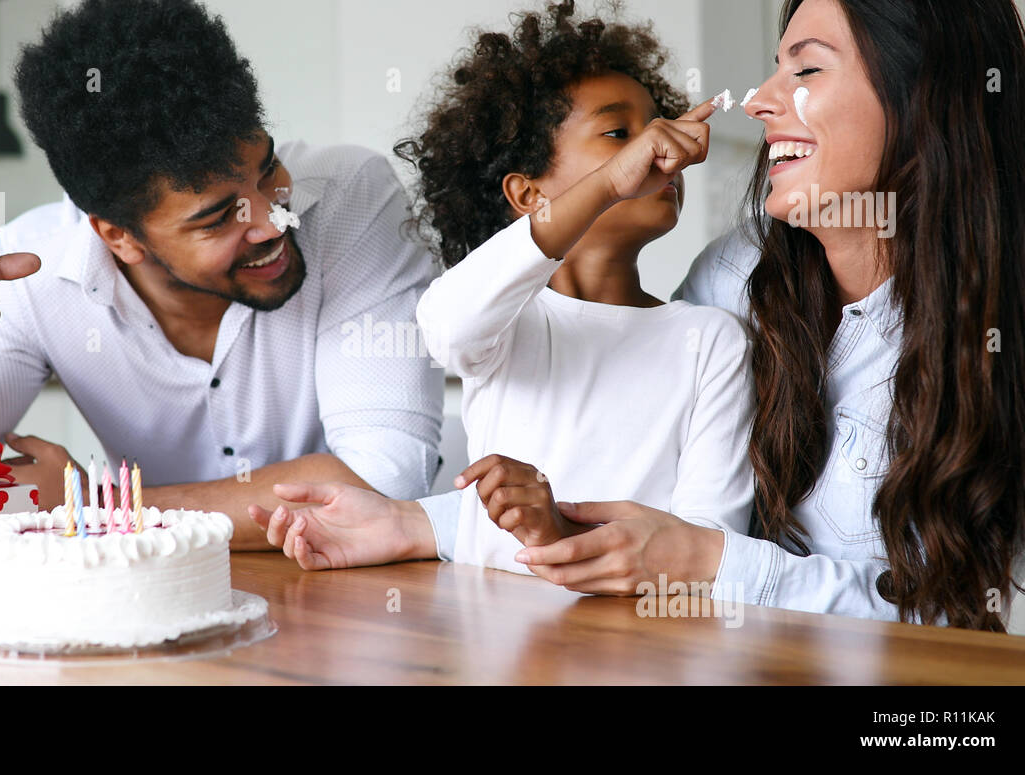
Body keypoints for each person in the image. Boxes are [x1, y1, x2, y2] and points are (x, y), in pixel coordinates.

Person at [254, 0, 1025, 635]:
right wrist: (414, 524)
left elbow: (944, 619)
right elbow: (618, 492)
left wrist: (705, 561)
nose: (763, 102)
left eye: (806, 69)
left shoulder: (1005, 331)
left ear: (922, 98)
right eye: (775, 68)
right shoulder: (735, 282)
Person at [0, 0, 443, 551]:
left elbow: (383, 480)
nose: (273, 221)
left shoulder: (350, 198)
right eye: (218, 217)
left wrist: (97, 510)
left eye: (267, 169)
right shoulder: (36, 269)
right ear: (118, 237)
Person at [255, 0, 755, 586]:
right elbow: (442, 324)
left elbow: (707, 550)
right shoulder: (504, 321)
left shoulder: (710, 339)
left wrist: (561, 536)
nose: (655, 149)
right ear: (526, 195)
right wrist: (611, 183)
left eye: (656, 126)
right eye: (620, 133)